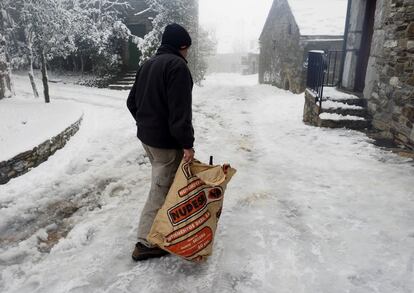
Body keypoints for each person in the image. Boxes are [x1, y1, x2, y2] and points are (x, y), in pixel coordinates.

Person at [126, 23, 195, 261]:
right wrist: (187, 144)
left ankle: (165, 227)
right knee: (160, 189)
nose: (187, 53)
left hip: (148, 140)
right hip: (165, 144)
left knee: (162, 184)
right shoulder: (177, 67)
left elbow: (131, 102)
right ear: (182, 46)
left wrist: (146, 124)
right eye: (187, 49)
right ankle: (145, 243)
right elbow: (180, 113)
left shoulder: (147, 64)